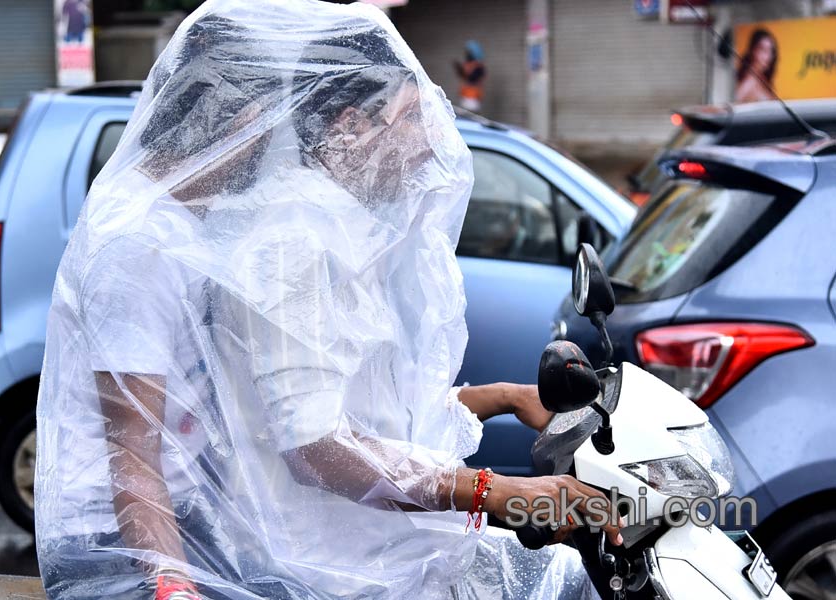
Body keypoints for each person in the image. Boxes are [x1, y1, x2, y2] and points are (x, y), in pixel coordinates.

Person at [35, 2, 620, 599]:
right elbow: (302, 445)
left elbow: (346, 409)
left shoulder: (320, 232)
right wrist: (493, 492)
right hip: (297, 563)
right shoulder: (274, 244)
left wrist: (497, 399)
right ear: (348, 126)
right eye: (414, 119)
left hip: (343, 541)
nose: (430, 147)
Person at [735, 28, 777, 103]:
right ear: (753, 51)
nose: (768, 57)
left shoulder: (762, 79)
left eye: (771, 51)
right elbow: (734, 105)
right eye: (763, 50)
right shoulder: (750, 81)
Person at [454, 40, 486, 112]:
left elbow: (473, 77)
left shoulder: (478, 66)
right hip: (464, 93)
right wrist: (459, 68)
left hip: (473, 95)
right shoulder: (467, 65)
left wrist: (465, 71)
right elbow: (463, 76)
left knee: (471, 115)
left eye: (469, 52)